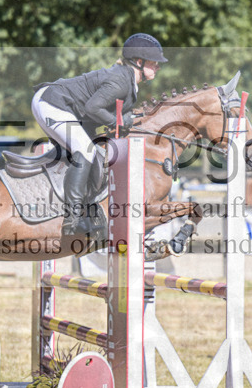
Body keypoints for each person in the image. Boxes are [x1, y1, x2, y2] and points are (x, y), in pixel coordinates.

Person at [31, 33, 167, 237]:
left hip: (63, 107)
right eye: (154, 63)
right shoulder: (121, 81)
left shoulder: (128, 81)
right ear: (139, 62)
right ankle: (72, 218)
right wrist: (118, 122)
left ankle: (88, 211)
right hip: (53, 103)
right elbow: (93, 108)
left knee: (96, 154)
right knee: (85, 150)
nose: (158, 66)